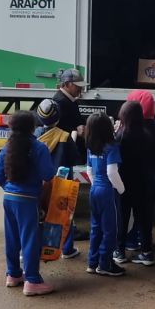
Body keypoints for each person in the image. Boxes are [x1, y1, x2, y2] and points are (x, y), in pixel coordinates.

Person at [0, 110, 55, 296]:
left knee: (12, 238)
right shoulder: (39, 147)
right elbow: (48, 174)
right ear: (33, 127)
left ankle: (13, 275)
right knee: (30, 239)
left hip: (9, 198)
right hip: (27, 200)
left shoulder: (7, 147)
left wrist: (9, 187)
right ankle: (32, 281)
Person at [35, 99, 81, 259]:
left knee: (39, 216)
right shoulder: (65, 136)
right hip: (61, 185)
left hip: (39, 184)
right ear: (59, 117)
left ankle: (38, 248)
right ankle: (67, 249)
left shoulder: (35, 136)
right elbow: (74, 158)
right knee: (64, 216)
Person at [113, 101, 155, 266]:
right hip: (145, 183)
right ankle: (146, 252)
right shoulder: (148, 134)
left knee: (122, 217)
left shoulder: (121, 136)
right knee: (144, 218)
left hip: (124, 184)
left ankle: (119, 251)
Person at [85, 113, 126, 276]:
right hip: (107, 191)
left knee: (95, 228)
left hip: (94, 190)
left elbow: (89, 170)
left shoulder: (90, 146)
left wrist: (96, 184)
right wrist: (121, 189)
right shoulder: (111, 146)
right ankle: (105, 264)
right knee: (110, 229)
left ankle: (92, 262)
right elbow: (112, 172)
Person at [52, 68, 89, 241]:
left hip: (66, 153)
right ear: (67, 84)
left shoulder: (69, 100)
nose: (80, 89)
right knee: (64, 192)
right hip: (61, 156)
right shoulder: (59, 102)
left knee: (67, 192)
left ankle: (67, 230)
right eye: (77, 86)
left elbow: (75, 122)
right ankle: (66, 232)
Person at [124, 89, 155, 251]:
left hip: (133, 180)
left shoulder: (132, 130)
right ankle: (145, 246)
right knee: (145, 215)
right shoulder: (153, 125)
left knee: (131, 214)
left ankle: (130, 241)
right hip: (149, 177)